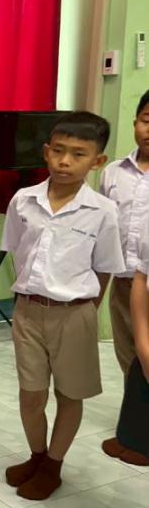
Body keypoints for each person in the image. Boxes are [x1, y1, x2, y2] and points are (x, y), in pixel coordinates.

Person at [0, 112, 124, 500]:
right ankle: (37, 456)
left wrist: (87, 311)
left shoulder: (103, 211)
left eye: (78, 154)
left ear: (97, 161)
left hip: (75, 313)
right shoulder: (23, 200)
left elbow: (105, 267)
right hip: (28, 312)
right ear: (46, 152)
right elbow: (16, 250)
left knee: (69, 395)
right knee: (31, 393)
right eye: (58, 151)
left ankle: (53, 465)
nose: (65, 161)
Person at [99, 90, 149, 465]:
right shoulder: (113, 173)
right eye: (147, 120)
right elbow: (102, 229)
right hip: (122, 280)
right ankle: (136, 428)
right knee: (129, 357)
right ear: (135, 123)